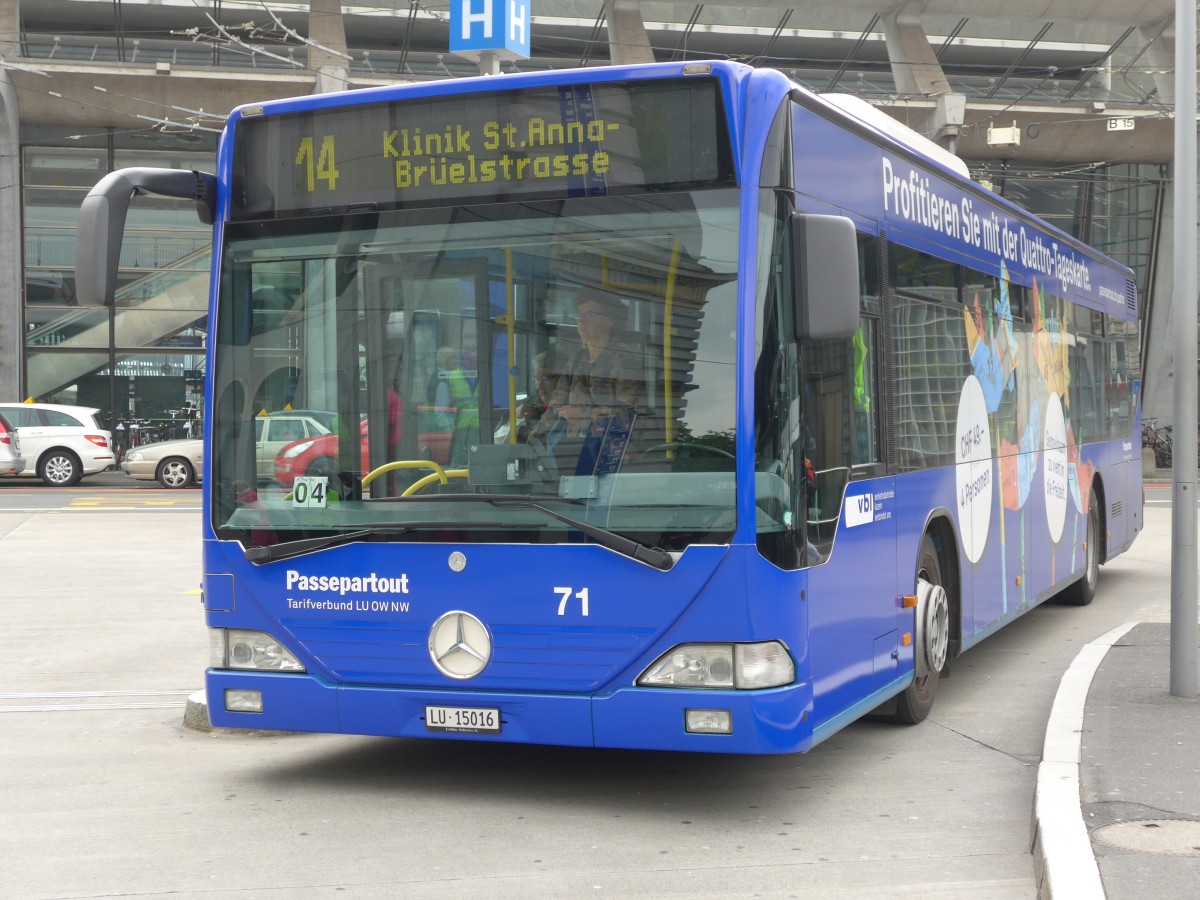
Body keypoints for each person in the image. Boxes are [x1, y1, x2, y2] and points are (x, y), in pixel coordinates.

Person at [536, 287, 643, 441]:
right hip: (576, 447)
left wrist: (584, 414)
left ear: (610, 320)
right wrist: (533, 441)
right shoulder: (577, 359)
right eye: (578, 314)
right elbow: (555, 406)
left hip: (611, 446)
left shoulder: (625, 361)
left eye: (590, 315)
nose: (581, 321)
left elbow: (629, 412)